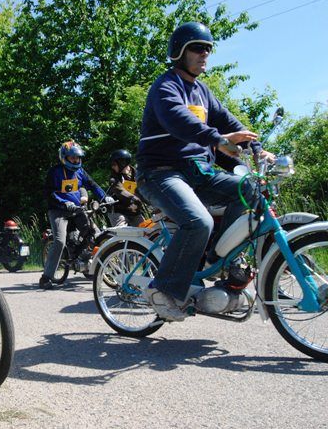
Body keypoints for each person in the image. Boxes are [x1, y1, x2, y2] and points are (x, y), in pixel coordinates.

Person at [135, 22, 275, 321]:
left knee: (250, 188)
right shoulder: (166, 86)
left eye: (208, 49)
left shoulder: (203, 92)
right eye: (198, 48)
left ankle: (218, 258)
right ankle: (164, 291)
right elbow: (178, 120)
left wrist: (257, 148)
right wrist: (218, 140)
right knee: (198, 222)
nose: (205, 54)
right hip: (161, 172)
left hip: (197, 172)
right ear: (180, 52)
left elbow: (231, 123)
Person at [39, 140, 114, 289]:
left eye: (77, 158)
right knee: (60, 241)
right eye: (73, 158)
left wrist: (105, 197)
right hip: (58, 211)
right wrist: (63, 202)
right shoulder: (55, 172)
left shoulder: (80, 171)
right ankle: (46, 277)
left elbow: (92, 185)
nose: (76, 160)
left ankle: (85, 260)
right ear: (64, 157)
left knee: (93, 232)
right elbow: (49, 193)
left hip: (76, 210)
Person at [106, 149, 144, 227]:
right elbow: (121, 192)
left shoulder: (137, 174)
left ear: (122, 163)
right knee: (122, 234)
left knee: (146, 232)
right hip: (118, 212)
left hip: (134, 210)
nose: (112, 167)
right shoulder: (113, 178)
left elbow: (145, 189)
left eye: (114, 164)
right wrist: (136, 200)